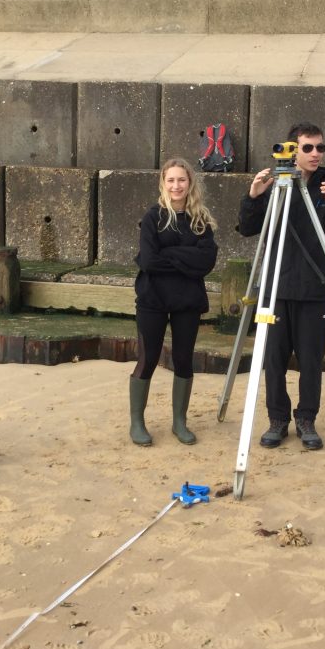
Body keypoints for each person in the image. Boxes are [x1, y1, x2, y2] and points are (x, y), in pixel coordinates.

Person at [238, 122, 325, 451]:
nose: (316, 154)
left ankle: (306, 418)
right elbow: (248, 228)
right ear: (292, 149)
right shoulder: (276, 184)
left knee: (310, 361)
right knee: (273, 360)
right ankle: (277, 420)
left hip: (314, 291)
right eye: (308, 148)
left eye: (320, 147)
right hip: (276, 289)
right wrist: (253, 197)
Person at [130, 158, 218, 446]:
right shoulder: (153, 217)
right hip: (152, 299)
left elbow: (206, 262)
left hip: (187, 301)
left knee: (183, 359)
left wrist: (169, 255)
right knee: (148, 359)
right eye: (171, 180)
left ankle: (179, 421)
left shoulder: (200, 221)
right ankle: (137, 423)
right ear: (163, 183)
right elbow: (150, 262)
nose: (176, 185)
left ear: (189, 183)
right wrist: (184, 257)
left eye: (181, 180)